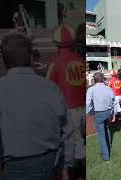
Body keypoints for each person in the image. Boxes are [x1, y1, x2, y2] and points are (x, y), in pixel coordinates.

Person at [0, 33, 74, 179]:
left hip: (13, 165)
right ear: (30, 57)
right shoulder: (51, 87)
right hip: (50, 163)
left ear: (4, 60)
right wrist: (66, 164)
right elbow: (67, 130)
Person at [46, 24, 85, 180]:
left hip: (68, 110)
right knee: (79, 142)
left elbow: (48, 91)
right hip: (82, 107)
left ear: (56, 44)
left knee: (75, 148)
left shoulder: (54, 64)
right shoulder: (82, 60)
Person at [86, 72, 114, 162]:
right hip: (108, 112)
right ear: (103, 79)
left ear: (94, 80)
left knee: (101, 135)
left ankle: (106, 157)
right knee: (107, 129)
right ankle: (108, 144)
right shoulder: (108, 89)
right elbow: (113, 101)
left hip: (99, 113)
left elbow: (87, 103)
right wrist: (112, 113)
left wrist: (90, 111)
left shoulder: (91, 89)